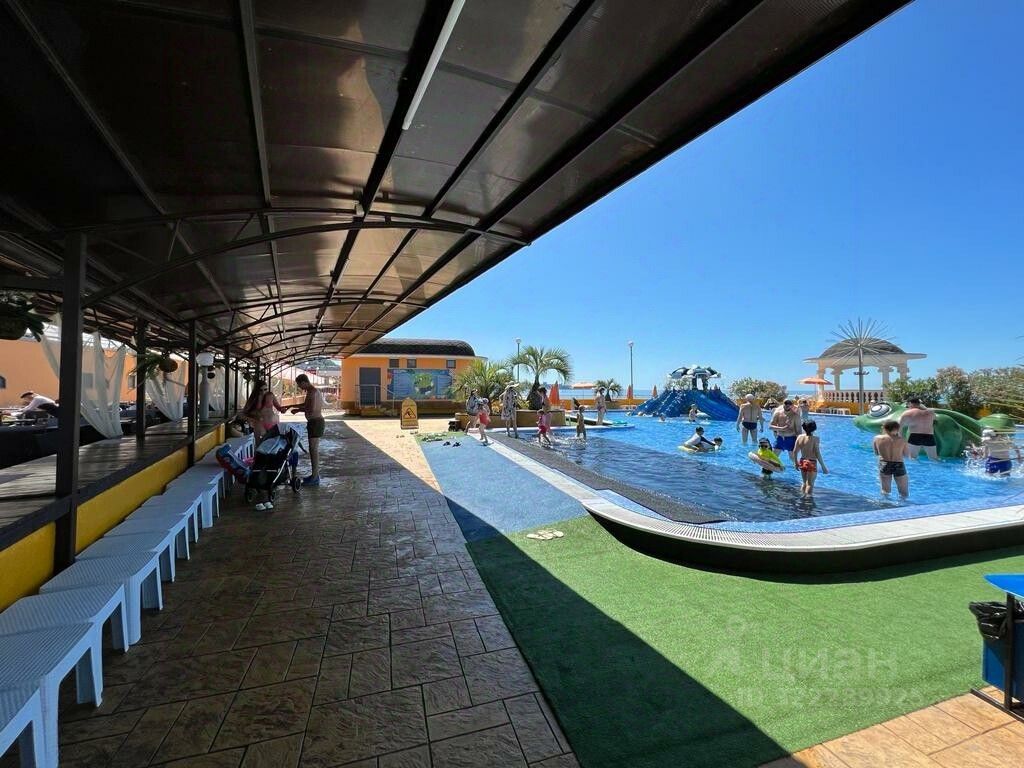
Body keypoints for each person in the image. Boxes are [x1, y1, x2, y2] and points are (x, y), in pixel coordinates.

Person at [291, 374, 325, 485]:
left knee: (313, 449)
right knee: (312, 449)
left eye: (299, 385)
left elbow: (311, 409)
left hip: (316, 422)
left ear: (304, 382)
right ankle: (314, 475)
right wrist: (291, 406)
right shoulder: (312, 391)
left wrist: (297, 410)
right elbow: (306, 404)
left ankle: (315, 477)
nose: (300, 387)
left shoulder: (313, 392)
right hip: (314, 422)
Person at [873, 419, 910, 498]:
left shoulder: (876, 438)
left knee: (885, 491)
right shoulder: (902, 440)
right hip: (898, 464)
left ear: (884, 428)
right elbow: (906, 455)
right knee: (904, 493)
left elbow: (876, 453)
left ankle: (885, 504)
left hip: (884, 464)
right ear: (897, 429)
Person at [794, 420, 828, 496]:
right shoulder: (815, 439)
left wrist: (796, 463)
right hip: (811, 462)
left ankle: (802, 496)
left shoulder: (800, 437)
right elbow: (817, 453)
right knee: (810, 484)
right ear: (814, 428)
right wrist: (823, 466)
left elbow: (795, 451)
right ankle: (808, 499)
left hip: (802, 461)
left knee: (804, 482)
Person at [768, 399, 801, 466]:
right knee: (773, 458)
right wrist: (781, 428)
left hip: (791, 440)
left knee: (793, 459)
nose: (787, 405)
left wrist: (800, 443)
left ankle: (802, 470)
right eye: (786, 403)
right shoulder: (778, 414)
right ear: (783, 404)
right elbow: (770, 427)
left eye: (789, 403)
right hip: (780, 439)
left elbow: (799, 430)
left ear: (792, 405)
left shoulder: (795, 416)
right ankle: (768, 471)